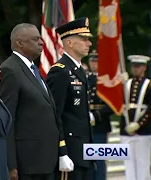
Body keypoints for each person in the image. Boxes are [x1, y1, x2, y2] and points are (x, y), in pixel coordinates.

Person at [0, 23, 73, 180]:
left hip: (44, 161)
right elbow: (6, 120)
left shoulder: (32, 69)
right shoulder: (11, 70)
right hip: (27, 164)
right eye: (36, 39)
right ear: (20, 43)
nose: (41, 42)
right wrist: (10, 165)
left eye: (41, 39)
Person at [45, 17, 94, 180]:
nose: (89, 43)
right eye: (84, 39)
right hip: (70, 150)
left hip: (82, 150)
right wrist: (62, 152)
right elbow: (54, 115)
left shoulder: (79, 71)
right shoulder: (60, 71)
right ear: (70, 43)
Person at [120, 55, 151, 180]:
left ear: (144, 67)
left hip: (143, 130)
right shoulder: (126, 83)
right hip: (126, 129)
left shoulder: (149, 85)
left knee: (143, 163)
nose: (135, 69)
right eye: (134, 66)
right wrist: (118, 85)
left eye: (138, 66)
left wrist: (139, 124)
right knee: (129, 163)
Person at [87, 50, 113, 180]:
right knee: (87, 160)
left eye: (96, 61)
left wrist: (95, 115)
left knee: (99, 160)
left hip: (100, 124)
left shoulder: (107, 81)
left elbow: (112, 105)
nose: (94, 64)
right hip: (85, 124)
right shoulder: (84, 78)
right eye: (92, 61)